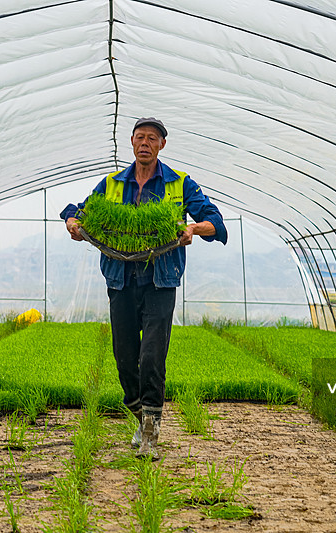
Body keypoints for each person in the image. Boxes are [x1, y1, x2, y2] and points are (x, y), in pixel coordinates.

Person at [60, 117, 227, 459]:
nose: (145, 143)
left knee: (151, 355)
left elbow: (215, 222)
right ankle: (140, 414)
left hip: (160, 281)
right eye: (140, 138)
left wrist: (193, 229)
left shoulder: (180, 183)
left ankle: (151, 429)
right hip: (121, 280)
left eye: (152, 138)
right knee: (124, 359)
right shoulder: (112, 184)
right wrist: (73, 222)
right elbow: (80, 211)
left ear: (162, 144)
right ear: (132, 142)